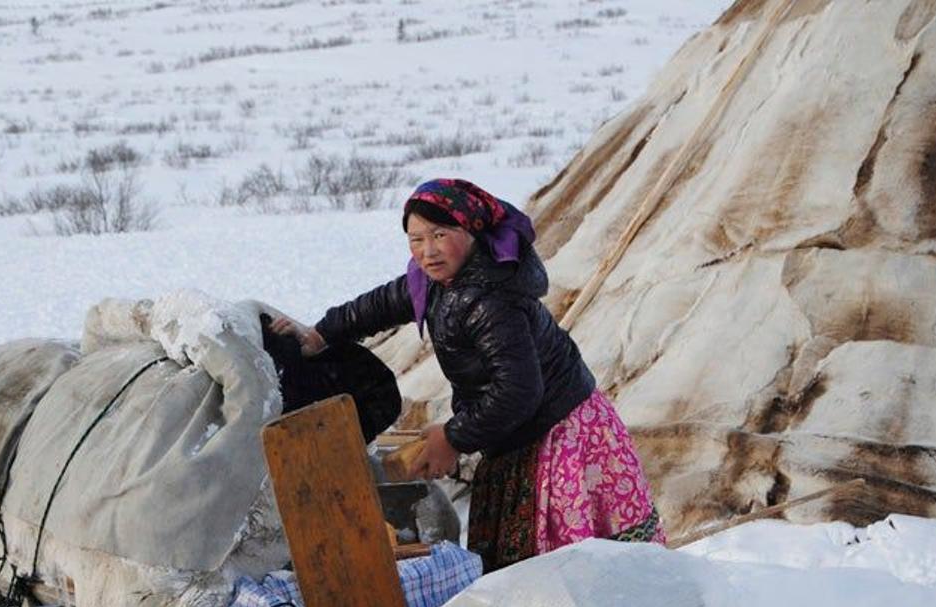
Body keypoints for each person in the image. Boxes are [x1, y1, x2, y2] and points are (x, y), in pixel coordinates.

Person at [271, 178, 664, 571]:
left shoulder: (492, 298)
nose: (427, 251)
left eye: (440, 234)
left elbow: (519, 390)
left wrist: (454, 437)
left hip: (560, 435)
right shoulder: (440, 280)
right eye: (416, 239)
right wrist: (323, 333)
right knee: (518, 561)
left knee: (567, 566)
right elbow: (383, 303)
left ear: (472, 230)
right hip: (517, 431)